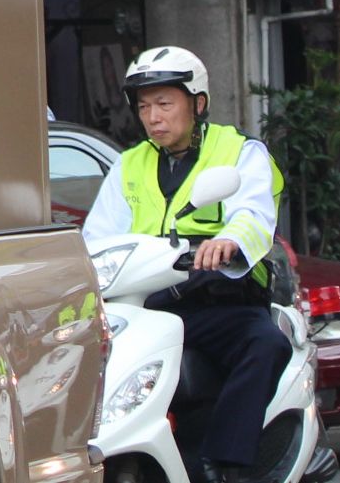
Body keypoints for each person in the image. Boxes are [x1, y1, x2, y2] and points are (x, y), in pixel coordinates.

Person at [83, 46, 289, 483]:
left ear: (197, 103)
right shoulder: (128, 164)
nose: (153, 117)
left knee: (266, 344)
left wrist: (230, 241)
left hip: (220, 302)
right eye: (144, 107)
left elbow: (253, 214)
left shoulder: (239, 151)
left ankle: (226, 464)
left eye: (164, 104)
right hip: (149, 305)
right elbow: (97, 238)